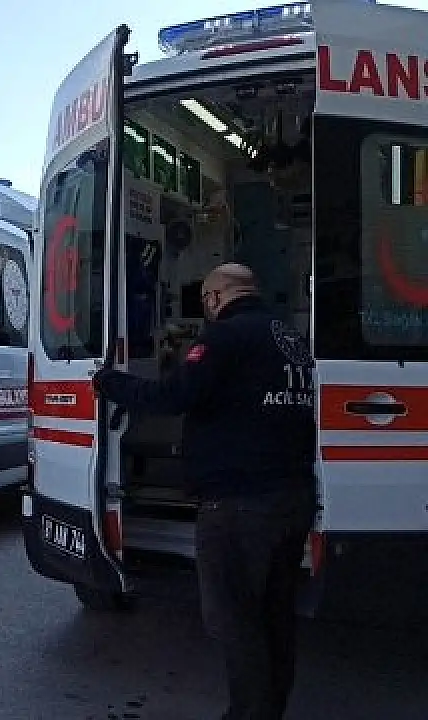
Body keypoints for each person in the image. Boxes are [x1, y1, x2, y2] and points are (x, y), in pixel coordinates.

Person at [91, 263, 317, 720]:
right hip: (291, 498)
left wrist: (109, 382)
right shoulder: (289, 338)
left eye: (206, 299)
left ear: (216, 297)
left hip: (239, 505)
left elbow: (173, 396)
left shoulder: (223, 338)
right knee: (275, 617)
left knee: (236, 620)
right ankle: (269, 710)